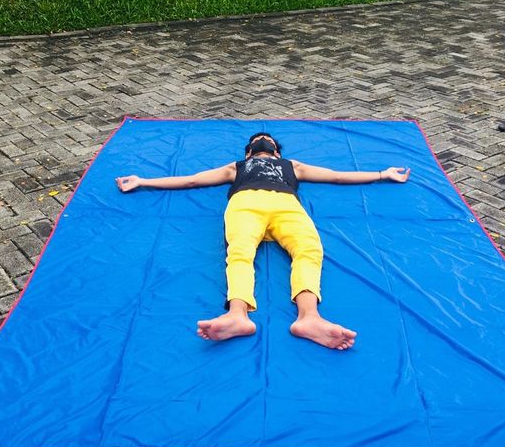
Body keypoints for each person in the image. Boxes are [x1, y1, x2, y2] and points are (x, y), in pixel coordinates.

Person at [116, 133, 410, 350]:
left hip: (286, 205)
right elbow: (192, 180)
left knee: (309, 251)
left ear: (276, 150)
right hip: (246, 204)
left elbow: (335, 176)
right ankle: (237, 315)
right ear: (248, 153)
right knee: (239, 254)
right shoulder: (236, 167)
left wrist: (382, 174)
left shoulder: (292, 165)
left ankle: (309, 318)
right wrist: (143, 181)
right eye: (257, 140)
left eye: (267, 140)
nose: (262, 141)